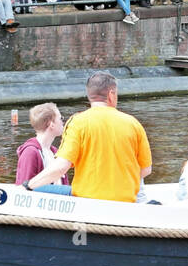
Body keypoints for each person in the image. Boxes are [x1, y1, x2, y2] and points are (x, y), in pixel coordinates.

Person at [23, 72, 152, 200]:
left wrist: (29, 185)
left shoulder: (78, 122)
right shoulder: (134, 124)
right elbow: (146, 170)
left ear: (90, 95)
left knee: (35, 188)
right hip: (124, 199)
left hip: (87, 200)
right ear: (111, 95)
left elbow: (61, 166)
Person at [15, 102, 67, 187]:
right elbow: (23, 190)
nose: (63, 122)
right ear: (51, 124)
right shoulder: (30, 153)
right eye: (61, 118)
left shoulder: (55, 152)